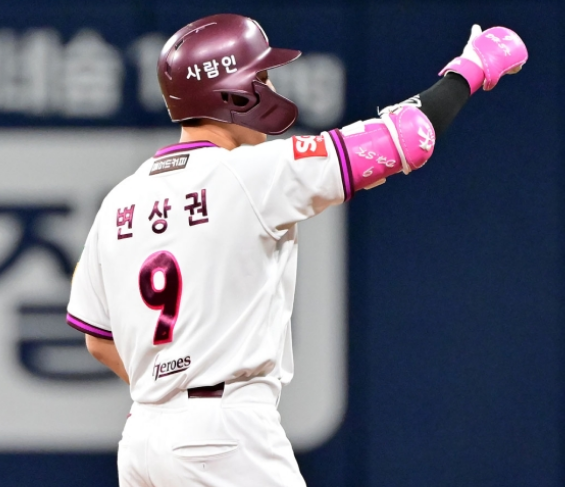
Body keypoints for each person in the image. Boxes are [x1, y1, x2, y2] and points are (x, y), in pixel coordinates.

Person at [66, 13, 528, 487]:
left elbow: (98, 339)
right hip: (222, 433)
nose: (270, 87)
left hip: (143, 437)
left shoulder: (119, 201)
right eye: (262, 76)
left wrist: (168, 395)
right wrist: (471, 68)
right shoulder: (251, 173)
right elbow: (410, 136)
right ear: (234, 93)